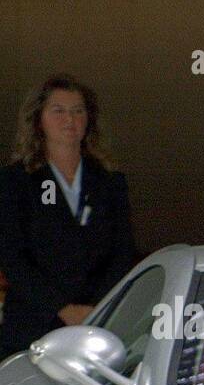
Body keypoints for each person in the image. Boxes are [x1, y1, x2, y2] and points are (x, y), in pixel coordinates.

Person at [0, 73, 135, 359]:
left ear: (89, 119)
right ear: (39, 120)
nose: (70, 120)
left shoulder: (110, 182)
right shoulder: (15, 181)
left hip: (97, 323)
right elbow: (13, 257)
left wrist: (96, 307)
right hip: (33, 326)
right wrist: (62, 308)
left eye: (78, 111)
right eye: (58, 111)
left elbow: (122, 253)